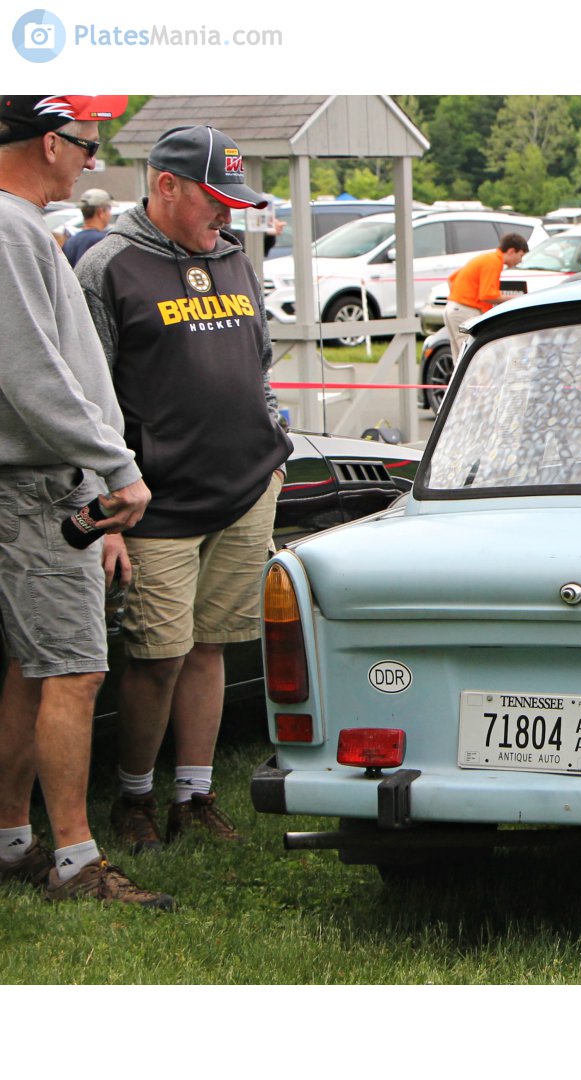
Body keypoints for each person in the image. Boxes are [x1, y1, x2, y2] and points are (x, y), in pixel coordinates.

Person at [76, 125, 292, 855]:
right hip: (156, 502)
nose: (227, 216)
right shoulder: (109, 266)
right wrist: (105, 511)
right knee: (158, 654)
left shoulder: (234, 256)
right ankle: (133, 795)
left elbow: (258, 359)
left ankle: (193, 793)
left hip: (244, 487)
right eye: (215, 199)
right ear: (165, 186)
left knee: (213, 647)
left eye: (235, 201)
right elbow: (86, 392)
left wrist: (272, 447)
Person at [0, 94, 170, 909]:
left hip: (46, 481)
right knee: (74, 669)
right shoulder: (9, 226)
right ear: (46, 141)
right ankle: (76, 861)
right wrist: (114, 469)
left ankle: (13, 840)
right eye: (86, 145)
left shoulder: (22, 225)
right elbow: (33, 376)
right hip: (40, 484)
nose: (91, 161)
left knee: (33, 671)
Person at [443, 232, 529, 358]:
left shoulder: (486, 258)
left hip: (453, 309)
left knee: (461, 359)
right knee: (472, 357)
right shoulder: (493, 262)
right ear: (511, 251)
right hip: (465, 311)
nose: (520, 261)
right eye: (520, 255)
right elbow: (487, 295)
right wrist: (515, 299)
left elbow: (451, 279)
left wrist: (458, 299)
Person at [62, 186, 112, 267]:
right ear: (100, 212)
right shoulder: (103, 241)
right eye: (109, 210)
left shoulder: (70, 242)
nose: (110, 215)